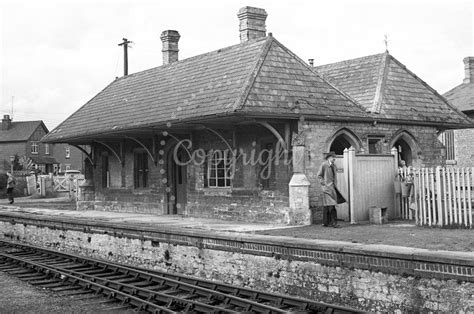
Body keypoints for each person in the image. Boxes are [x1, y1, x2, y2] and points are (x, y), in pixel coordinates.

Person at [317, 151, 345, 228]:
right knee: (332, 205)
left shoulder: (334, 166)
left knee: (327, 206)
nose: (334, 159)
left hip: (333, 188)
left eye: (334, 157)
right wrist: (324, 184)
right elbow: (319, 176)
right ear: (329, 157)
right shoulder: (324, 165)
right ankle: (334, 223)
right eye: (333, 157)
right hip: (327, 189)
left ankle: (326, 223)